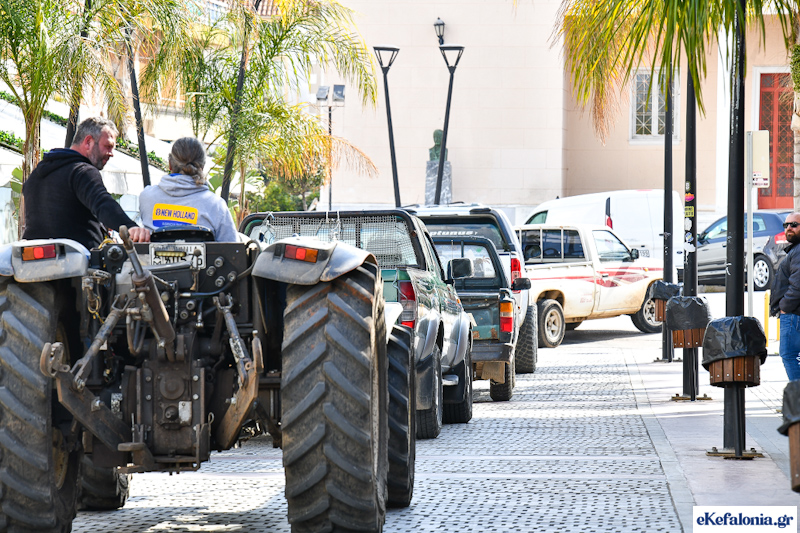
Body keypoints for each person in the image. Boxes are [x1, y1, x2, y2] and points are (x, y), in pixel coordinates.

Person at [22, 117, 150, 249]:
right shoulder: (82, 171)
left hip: (33, 262)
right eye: (108, 146)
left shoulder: (36, 175)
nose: (111, 154)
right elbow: (103, 203)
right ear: (88, 142)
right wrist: (130, 227)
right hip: (77, 263)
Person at [138, 137, 238, 241]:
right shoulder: (216, 205)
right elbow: (232, 248)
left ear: (170, 164)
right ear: (202, 166)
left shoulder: (146, 197)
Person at [770, 212, 800, 380]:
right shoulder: (795, 250)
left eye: (794, 225)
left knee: (789, 356)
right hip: (794, 313)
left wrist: (784, 308)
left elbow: (798, 285)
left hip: (794, 314)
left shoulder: (798, 251)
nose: (789, 228)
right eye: (786, 225)